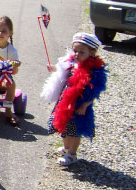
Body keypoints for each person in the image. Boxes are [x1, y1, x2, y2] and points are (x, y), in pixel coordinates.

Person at [41, 32, 107, 166]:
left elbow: (95, 91)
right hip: (64, 102)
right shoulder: (72, 62)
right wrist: (54, 69)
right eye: (75, 51)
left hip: (78, 106)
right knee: (63, 126)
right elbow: (62, 72)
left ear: (92, 52)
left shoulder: (93, 70)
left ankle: (72, 154)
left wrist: (85, 105)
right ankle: (66, 147)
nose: (76, 54)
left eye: (81, 52)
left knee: (74, 129)